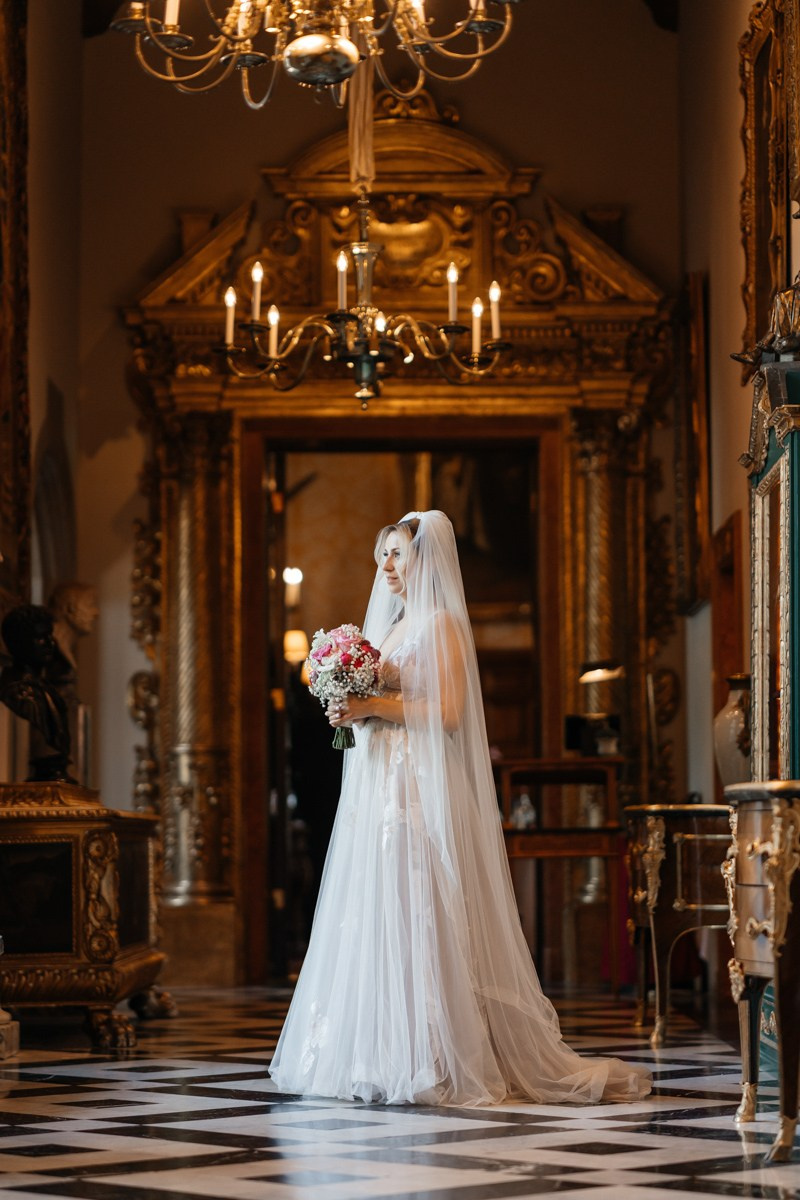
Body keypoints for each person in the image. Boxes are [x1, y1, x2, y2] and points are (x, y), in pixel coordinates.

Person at [269, 511, 650, 1106]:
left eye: (397, 553)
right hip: (380, 781)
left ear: (424, 559)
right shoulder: (392, 627)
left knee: (418, 901)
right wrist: (349, 706)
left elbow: (447, 714)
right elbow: (381, 701)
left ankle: (433, 1053)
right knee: (379, 903)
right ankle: (379, 1052)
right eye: (382, 554)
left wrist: (372, 706)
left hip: (415, 786)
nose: (386, 565)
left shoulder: (440, 624)